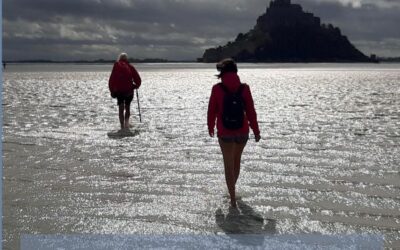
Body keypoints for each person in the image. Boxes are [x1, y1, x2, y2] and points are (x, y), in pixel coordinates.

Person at [207, 58, 261, 208]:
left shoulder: (217, 89)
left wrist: (210, 126)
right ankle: (232, 191)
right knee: (236, 162)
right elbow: (251, 111)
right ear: (236, 72)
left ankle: (232, 199)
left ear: (222, 73)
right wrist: (256, 131)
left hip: (225, 132)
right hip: (242, 131)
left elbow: (212, 110)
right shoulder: (244, 88)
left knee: (228, 165)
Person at [109, 53, 142, 130]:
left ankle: (122, 126)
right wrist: (135, 86)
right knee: (127, 107)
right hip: (129, 91)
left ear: (119, 58)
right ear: (126, 59)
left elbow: (112, 79)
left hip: (119, 91)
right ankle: (127, 124)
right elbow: (138, 80)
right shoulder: (130, 66)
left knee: (121, 108)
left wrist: (112, 90)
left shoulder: (116, 65)